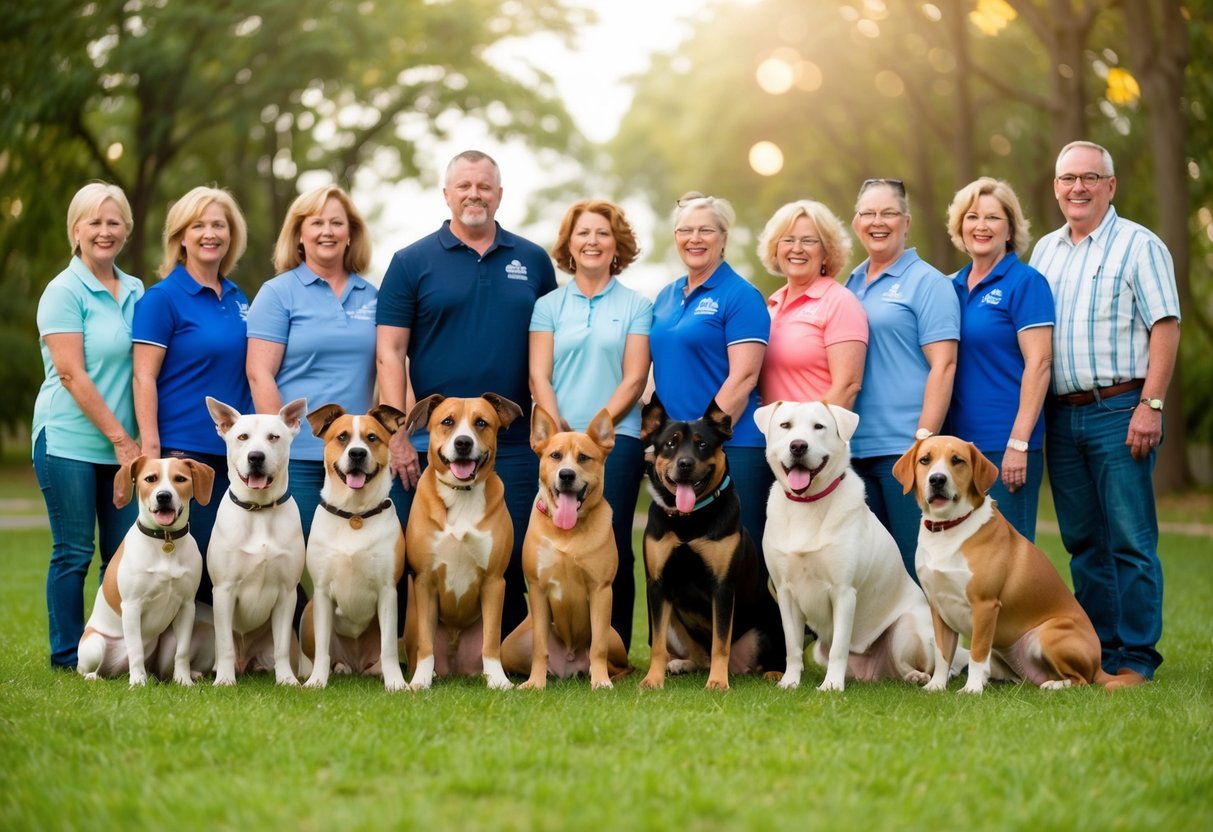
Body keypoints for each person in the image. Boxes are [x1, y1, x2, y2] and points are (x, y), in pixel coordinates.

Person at [376, 150, 557, 635]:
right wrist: (398, 438)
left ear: (499, 195)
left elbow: (548, 347)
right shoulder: (411, 262)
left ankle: (509, 656)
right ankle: (409, 653)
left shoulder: (533, 261)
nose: (474, 194)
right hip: (431, 445)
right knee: (418, 567)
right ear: (447, 194)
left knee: (511, 564)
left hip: (513, 445)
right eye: (464, 186)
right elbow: (390, 353)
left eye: (484, 186)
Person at [1030, 140, 1180, 687]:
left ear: (1110, 186)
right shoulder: (1044, 252)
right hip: (1061, 417)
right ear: (1056, 187)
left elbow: (1165, 325)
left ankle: (1137, 658)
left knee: (1130, 540)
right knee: (1084, 542)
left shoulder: (1140, 245)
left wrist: (1151, 403)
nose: (1078, 188)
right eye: (1068, 178)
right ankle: (1098, 653)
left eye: (1090, 177)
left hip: (1121, 408)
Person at [530, 199, 652, 651]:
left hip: (613, 440)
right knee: (553, 543)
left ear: (616, 243)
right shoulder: (548, 306)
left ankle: (613, 651)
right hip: (557, 441)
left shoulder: (637, 305)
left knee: (613, 544)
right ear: (569, 243)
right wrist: (559, 430)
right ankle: (559, 646)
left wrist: (597, 429)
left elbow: (636, 376)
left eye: (602, 233)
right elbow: (538, 374)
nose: (592, 241)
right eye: (583, 233)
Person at [32, 182, 144, 670]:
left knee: (122, 554)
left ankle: (118, 651)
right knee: (74, 552)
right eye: (93, 222)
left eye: (113, 221)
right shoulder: (63, 291)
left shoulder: (138, 290)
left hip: (123, 450)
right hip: (70, 442)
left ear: (126, 230)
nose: (104, 231)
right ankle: (66, 657)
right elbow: (71, 374)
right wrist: (122, 438)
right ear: (75, 230)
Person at [132, 185, 252, 605]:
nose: (209, 233)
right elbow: (143, 378)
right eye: (197, 225)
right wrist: (150, 449)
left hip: (236, 452)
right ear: (181, 236)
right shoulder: (161, 298)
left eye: (219, 225)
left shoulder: (239, 298)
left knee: (231, 558)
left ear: (230, 235)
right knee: (191, 562)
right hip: (185, 451)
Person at [246, 185, 377, 540]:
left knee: (360, 559)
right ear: (299, 235)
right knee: (297, 556)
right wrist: (278, 445)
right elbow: (259, 374)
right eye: (316, 222)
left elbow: (392, 363)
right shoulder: (277, 293)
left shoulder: (374, 295)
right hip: (300, 455)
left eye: (337, 222)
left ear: (351, 234)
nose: (327, 231)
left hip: (358, 455)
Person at [844, 178, 959, 578]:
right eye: (869, 213)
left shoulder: (929, 283)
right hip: (853, 451)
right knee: (870, 574)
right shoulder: (850, 284)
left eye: (889, 213)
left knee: (917, 570)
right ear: (857, 222)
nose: (879, 222)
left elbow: (944, 365)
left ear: (906, 222)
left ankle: (931, 644)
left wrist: (923, 443)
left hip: (904, 451)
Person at [649, 192, 770, 548]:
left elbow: (744, 377)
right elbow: (657, 370)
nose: (695, 239)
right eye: (685, 230)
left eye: (706, 230)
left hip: (731, 447)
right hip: (677, 452)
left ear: (724, 238)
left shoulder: (741, 295)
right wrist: (661, 440)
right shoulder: (666, 296)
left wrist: (705, 440)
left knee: (741, 563)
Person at [945, 177, 1054, 540]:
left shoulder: (1026, 283)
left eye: (993, 218)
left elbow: (1039, 364)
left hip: (1003, 442)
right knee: (963, 555)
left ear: (1010, 229)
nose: (981, 226)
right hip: (955, 445)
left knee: (1009, 554)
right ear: (960, 226)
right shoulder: (949, 286)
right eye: (972, 216)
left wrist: (1019, 443)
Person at [757, 199, 867, 409]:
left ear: (826, 253)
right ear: (775, 248)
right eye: (788, 240)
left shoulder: (840, 302)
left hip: (813, 439)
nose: (797, 249)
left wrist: (803, 433)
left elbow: (847, 387)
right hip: (774, 439)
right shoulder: (771, 306)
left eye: (808, 241)